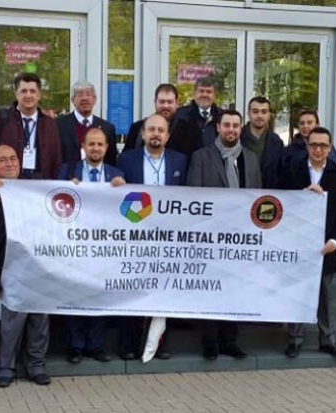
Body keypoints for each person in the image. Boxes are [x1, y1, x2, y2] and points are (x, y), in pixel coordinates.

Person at [0, 144, 52, 387]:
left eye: (13, 159)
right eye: (3, 160)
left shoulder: (36, 193)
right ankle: (5, 367)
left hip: (38, 270)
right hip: (10, 274)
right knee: (11, 324)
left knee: (40, 321)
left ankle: (36, 365)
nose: (9, 163)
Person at [186, 109, 258, 361]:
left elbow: (257, 196)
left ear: (241, 129)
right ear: (218, 127)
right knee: (211, 289)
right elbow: (193, 196)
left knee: (235, 289)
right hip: (211, 236)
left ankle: (230, 341)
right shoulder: (201, 157)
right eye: (226, 125)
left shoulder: (250, 158)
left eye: (236, 126)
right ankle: (210, 341)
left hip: (240, 238)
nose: (231, 130)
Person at [118, 113, 188, 361]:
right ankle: (129, 343)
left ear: (167, 136)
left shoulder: (181, 160)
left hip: (168, 235)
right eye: (151, 129)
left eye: (160, 130)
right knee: (132, 288)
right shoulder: (126, 159)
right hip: (136, 233)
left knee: (164, 290)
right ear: (143, 134)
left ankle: (159, 343)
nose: (156, 134)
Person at [281, 127, 336, 359]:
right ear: (307, 146)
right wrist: (302, 195)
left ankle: (327, 340)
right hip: (298, 243)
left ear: (330, 148)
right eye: (313, 145)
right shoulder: (293, 170)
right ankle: (295, 339)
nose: (318, 149)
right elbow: (284, 204)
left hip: (326, 246)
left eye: (323, 145)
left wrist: (335, 240)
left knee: (325, 296)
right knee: (297, 293)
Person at [58, 127, 125, 364]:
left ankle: (95, 345)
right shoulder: (68, 171)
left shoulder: (117, 174)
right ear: (83, 147)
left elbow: (128, 211)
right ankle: (75, 346)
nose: (95, 148)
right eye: (91, 144)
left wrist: (124, 189)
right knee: (75, 293)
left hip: (105, 245)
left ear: (106, 148)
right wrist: (66, 189)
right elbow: (54, 204)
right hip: (75, 243)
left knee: (99, 294)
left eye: (100, 144)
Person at [0, 73, 61, 180]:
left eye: (32, 91)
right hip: (9, 182)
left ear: (39, 95)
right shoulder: (0, 120)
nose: (28, 95)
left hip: (41, 183)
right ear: (16, 94)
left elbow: (57, 158)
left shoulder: (50, 124)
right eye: (23, 91)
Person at [123, 84, 203, 158]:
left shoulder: (191, 131)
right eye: (162, 102)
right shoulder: (137, 128)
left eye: (170, 102)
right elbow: (127, 158)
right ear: (155, 102)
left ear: (177, 103)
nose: (166, 106)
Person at [58, 81, 118, 166]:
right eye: (80, 95)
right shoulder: (58, 126)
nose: (84, 98)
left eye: (88, 94)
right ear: (72, 100)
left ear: (94, 100)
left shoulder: (107, 128)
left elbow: (111, 161)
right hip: (68, 174)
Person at [239, 96, 284, 189]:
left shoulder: (276, 142)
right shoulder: (238, 138)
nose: (260, 116)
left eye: (264, 112)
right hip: (241, 192)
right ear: (248, 113)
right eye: (255, 111)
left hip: (268, 193)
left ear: (269, 115)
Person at [176, 77, 222, 147]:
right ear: (194, 93)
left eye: (209, 92)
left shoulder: (221, 116)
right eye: (201, 91)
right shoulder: (180, 115)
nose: (205, 95)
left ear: (214, 95)